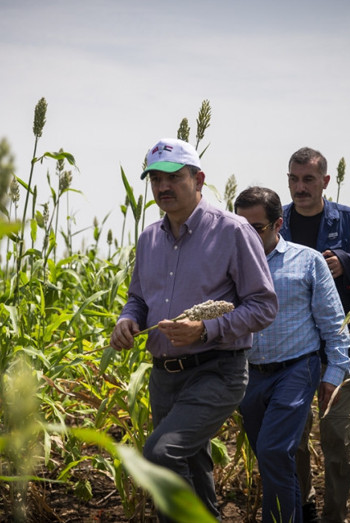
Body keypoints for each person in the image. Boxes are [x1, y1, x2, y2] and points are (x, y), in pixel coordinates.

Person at [110, 138, 278, 521]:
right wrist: (126, 320)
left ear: (198, 178)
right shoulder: (149, 238)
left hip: (217, 370)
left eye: (173, 177)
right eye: (155, 178)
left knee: (161, 454)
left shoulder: (233, 231)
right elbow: (138, 298)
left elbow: (264, 306)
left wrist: (205, 330)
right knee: (194, 467)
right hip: (164, 377)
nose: (162, 187)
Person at [234, 186, 350, 523]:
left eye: (255, 227)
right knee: (271, 458)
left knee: (273, 451)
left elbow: (333, 323)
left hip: (296, 369)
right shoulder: (230, 264)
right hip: (250, 373)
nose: (247, 235)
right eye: (240, 226)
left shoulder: (307, 261)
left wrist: (334, 374)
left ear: (278, 224)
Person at [280, 147, 350, 523]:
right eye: (293, 178)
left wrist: (347, 262)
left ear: (325, 181)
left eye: (308, 179)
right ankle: (303, 504)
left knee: (338, 439)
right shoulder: (280, 221)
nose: (299, 187)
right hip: (291, 348)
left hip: (343, 346)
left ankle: (334, 514)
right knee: (293, 437)